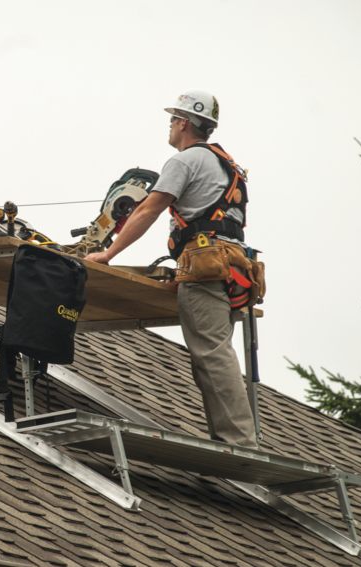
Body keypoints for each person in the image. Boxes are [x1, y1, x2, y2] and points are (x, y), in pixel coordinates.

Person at [85, 89, 258, 449]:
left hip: (207, 265)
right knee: (214, 354)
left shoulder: (184, 161)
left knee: (212, 355)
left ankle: (240, 444)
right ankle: (234, 439)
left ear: (183, 123)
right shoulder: (227, 163)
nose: (169, 125)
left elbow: (148, 209)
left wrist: (109, 253)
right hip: (233, 267)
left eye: (172, 119)